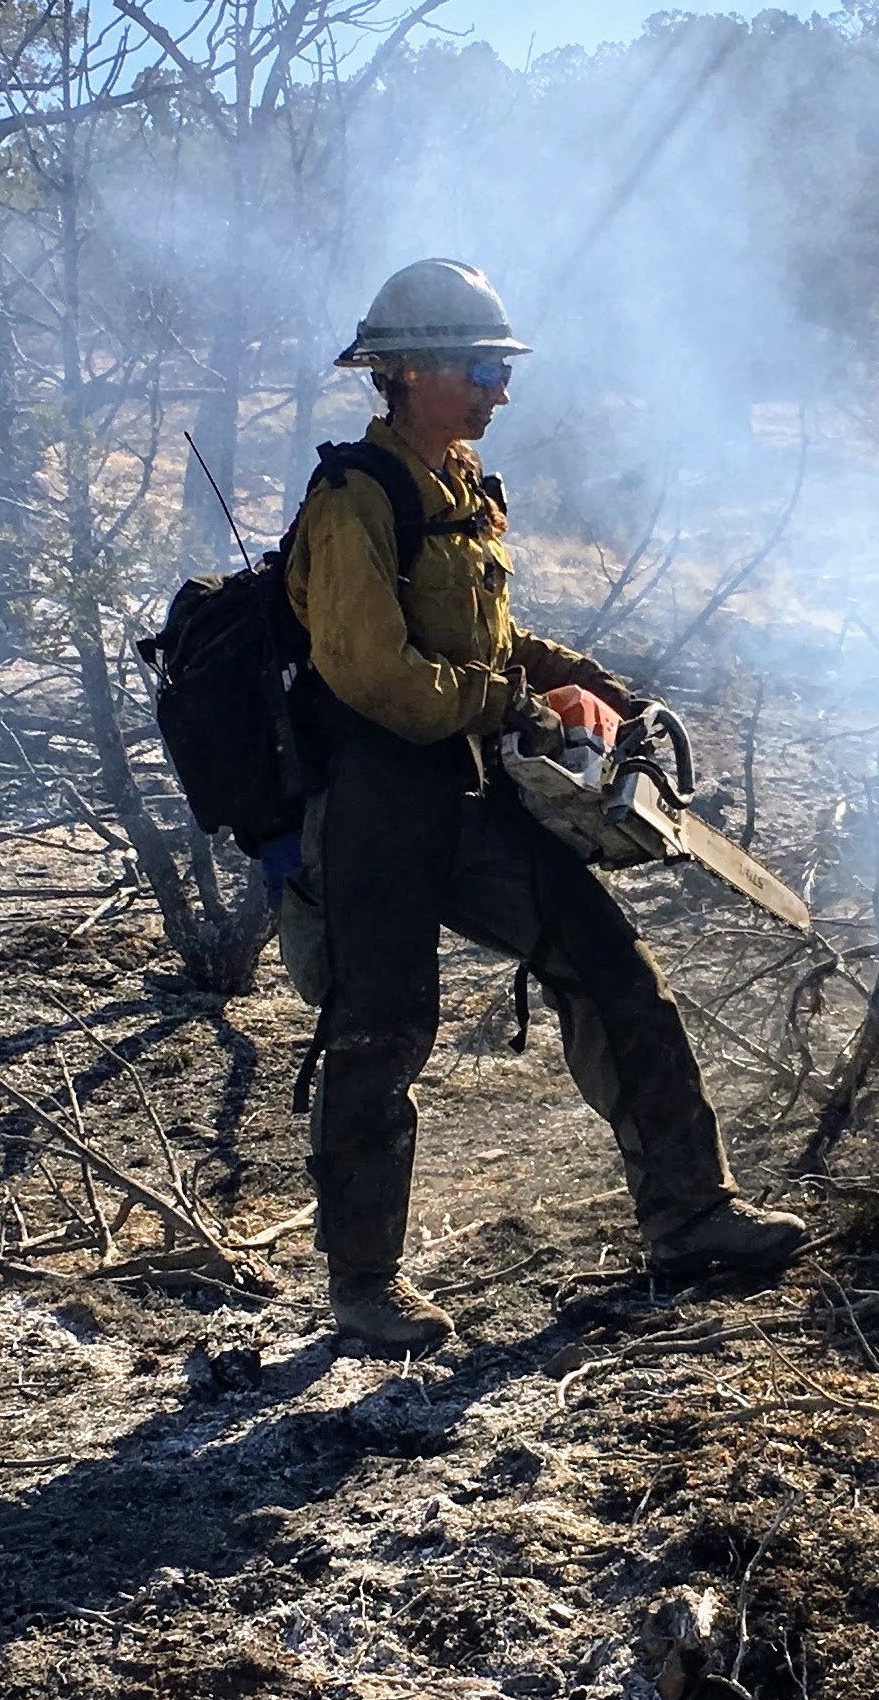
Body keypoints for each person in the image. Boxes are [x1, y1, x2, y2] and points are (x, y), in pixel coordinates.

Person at [279, 258, 808, 1353]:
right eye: (477, 368)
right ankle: (365, 1284)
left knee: (611, 968)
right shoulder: (353, 501)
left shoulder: (459, 491)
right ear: (410, 370)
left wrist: (586, 677)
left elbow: (485, 639)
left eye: (499, 368)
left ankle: (692, 1214)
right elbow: (373, 673)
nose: (495, 391)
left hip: (464, 788)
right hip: (375, 798)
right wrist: (515, 702)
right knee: (381, 1031)